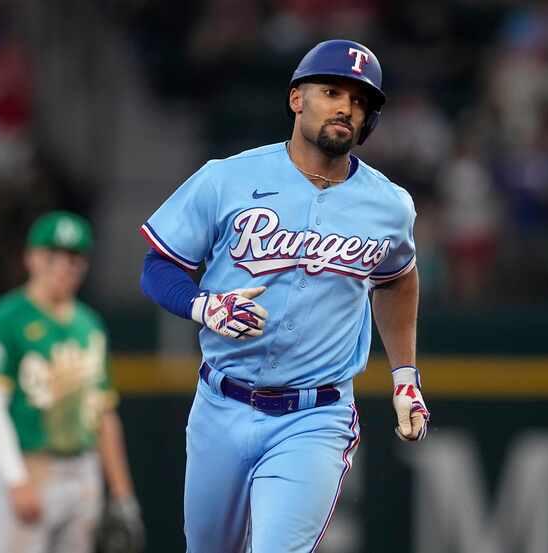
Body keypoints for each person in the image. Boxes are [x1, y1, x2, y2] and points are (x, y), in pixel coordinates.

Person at [139, 39, 430, 552]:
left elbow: (398, 279)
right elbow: (159, 265)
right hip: (220, 404)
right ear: (297, 98)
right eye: (331, 91)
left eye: (360, 101)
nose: (346, 107)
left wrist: (405, 377)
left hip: (315, 415)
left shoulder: (389, 206)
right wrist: (202, 306)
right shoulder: (228, 178)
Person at [0, 211, 143, 553]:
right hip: (30, 465)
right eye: (53, 256)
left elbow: (104, 413)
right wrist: (15, 478)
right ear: (30, 258)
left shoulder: (89, 324)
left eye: (74, 258)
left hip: (82, 469)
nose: (63, 266)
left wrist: (123, 495)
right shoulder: (3, 320)